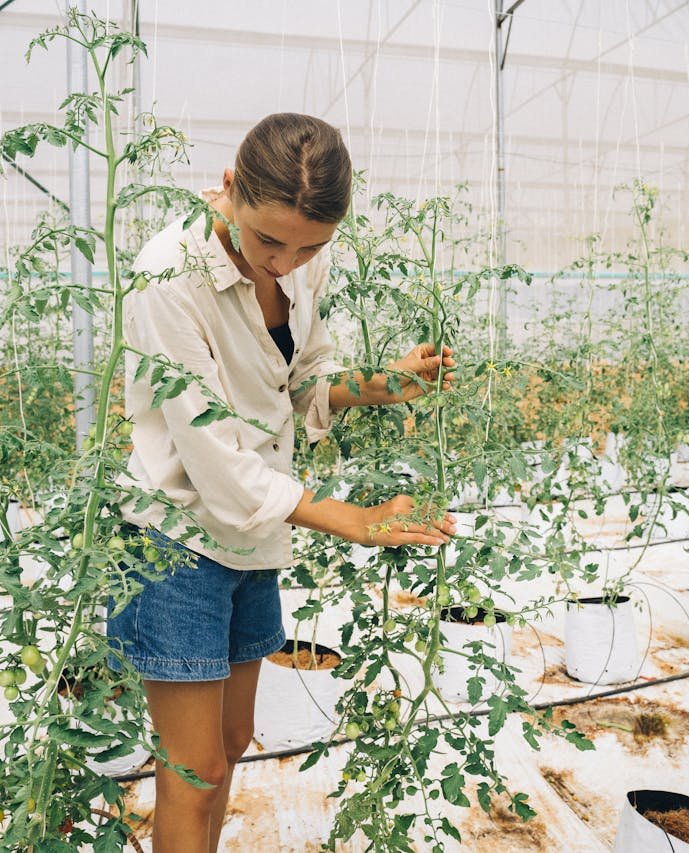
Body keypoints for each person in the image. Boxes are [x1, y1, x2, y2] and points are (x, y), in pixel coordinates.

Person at [109, 112, 457, 852]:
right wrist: (352, 518)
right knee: (193, 766)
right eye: (270, 241)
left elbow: (301, 380)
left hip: (254, 536)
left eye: (312, 246)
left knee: (232, 740)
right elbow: (215, 457)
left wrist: (378, 384)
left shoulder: (299, 258)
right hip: (176, 541)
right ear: (230, 187)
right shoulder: (168, 277)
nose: (288, 263)